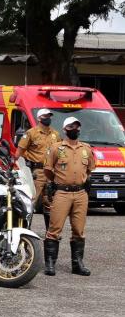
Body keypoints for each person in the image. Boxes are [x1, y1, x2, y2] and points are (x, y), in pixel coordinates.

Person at [43, 116, 95, 277]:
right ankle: (50, 264)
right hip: (62, 193)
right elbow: (48, 170)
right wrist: (58, 183)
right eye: (72, 127)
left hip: (80, 193)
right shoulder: (56, 148)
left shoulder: (86, 149)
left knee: (79, 230)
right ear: (65, 129)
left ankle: (77, 264)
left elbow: (90, 169)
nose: (76, 129)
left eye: (77, 127)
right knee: (54, 229)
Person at [15, 108, 60, 229]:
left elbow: (60, 152)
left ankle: (50, 232)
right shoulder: (31, 133)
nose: (48, 118)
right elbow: (19, 151)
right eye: (46, 116)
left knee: (50, 202)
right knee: (31, 200)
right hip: (38, 171)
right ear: (39, 118)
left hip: (52, 172)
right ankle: (25, 229)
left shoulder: (55, 134)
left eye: (49, 116)